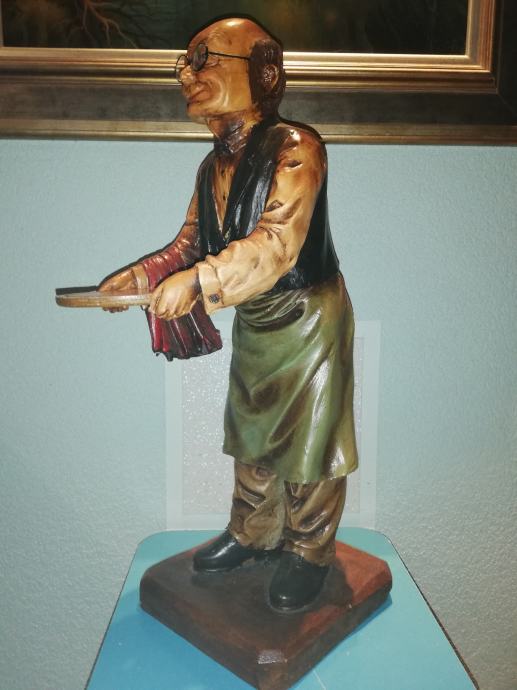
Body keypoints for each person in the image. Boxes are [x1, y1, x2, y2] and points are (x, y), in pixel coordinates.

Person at [100, 17, 358, 611]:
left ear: (263, 74)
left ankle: (309, 549)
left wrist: (197, 283)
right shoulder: (209, 167)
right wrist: (139, 279)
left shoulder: (297, 149)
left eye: (204, 59)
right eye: (185, 63)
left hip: (309, 317)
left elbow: (276, 245)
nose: (187, 75)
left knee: (310, 441)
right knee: (250, 433)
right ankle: (253, 532)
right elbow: (191, 243)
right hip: (256, 318)